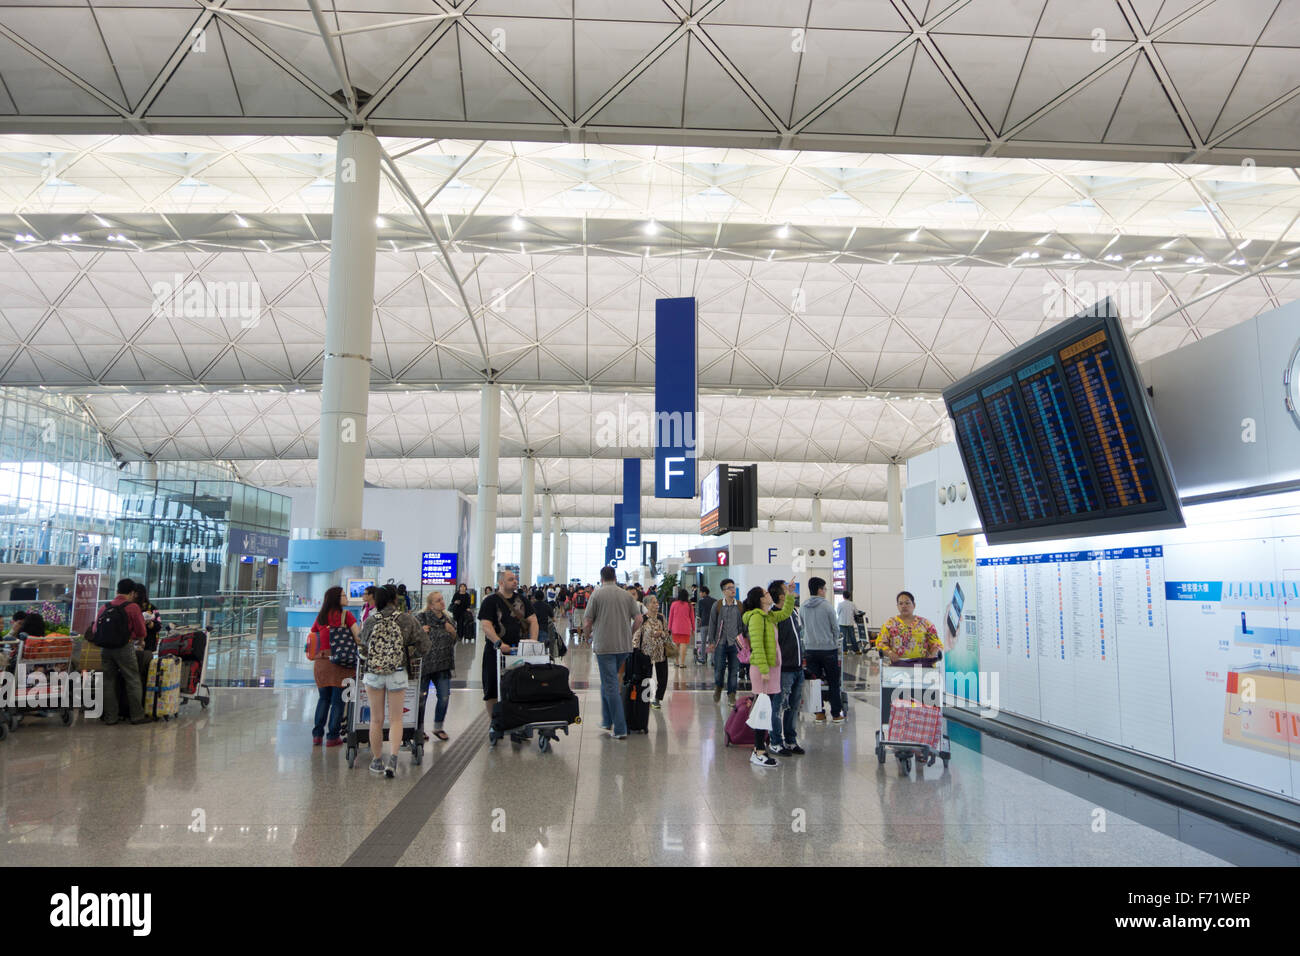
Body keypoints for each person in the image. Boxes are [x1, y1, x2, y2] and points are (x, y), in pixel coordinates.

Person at [358, 584, 428, 778]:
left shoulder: (371, 620)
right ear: (395, 599)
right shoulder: (407, 619)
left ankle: (377, 760)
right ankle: (394, 759)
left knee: (376, 719)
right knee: (396, 719)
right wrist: (409, 653)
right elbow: (425, 645)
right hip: (398, 671)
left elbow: (363, 648)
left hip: (374, 673)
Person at [583, 565, 642, 738]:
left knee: (610, 685)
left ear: (601, 578)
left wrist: (588, 637)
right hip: (623, 647)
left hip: (604, 647)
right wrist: (629, 634)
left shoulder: (596, 594)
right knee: (608, 680)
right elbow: (638, 619)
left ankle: (620, 728)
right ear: (615, 577)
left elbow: (587, 622)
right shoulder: (626, 595)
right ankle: (607, 720)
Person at [741, 581, 795, 767]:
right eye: (766, 593)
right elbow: (757, 645)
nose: (769, 594)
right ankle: (758, 750)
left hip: (771, 669)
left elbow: (786, 613)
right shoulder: (756, 617)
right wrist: (764, 671)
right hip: (763, 670)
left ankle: (760, 749)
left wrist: (789, 594)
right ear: (761, 599)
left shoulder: (769, 616)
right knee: (762, 710)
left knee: (767, 709)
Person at [88, 578, 151, 725]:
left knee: (108, 681)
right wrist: (140, 640)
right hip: (124, 647)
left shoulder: (105, 607)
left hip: (105, 649)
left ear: (117, 591)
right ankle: (137, 715)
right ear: (132, 592)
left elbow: (95, 630)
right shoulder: (132, 607)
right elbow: (141, 630)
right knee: (132, 679)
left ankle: (111, 717)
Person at [478, 570, 537, 720]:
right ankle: (495, 721)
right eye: (511, 579)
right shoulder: (490, 601)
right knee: (492, 687)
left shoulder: (522, 600)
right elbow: (486, 625)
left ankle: (518, 720)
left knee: (520, 686)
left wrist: (533, 641)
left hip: (519, 651)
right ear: (501, 582)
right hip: (495, 651)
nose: (515, 581)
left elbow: (533, 621)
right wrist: (498, 642)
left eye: (516, 579)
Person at [307, 585, 358, 747]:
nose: (346, 597)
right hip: (340, 663)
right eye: (343, 595)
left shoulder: (321, 617)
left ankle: (317, 735)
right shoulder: (346, 616)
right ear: (337, 599)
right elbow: (358, 637)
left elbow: (313, 634)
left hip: (321, 662)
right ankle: (332, 736)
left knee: (323, 699)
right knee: (337, 701)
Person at [768, 579, 805, 757]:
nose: (791, 591)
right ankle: (776, 741)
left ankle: (790, 740)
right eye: (786, 590)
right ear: (781, 596)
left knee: (793, 706)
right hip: (784, 669)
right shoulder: (774, 616)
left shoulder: (793, 612)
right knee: (778, 705)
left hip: (798, 667)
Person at [415, 590, 457, 742]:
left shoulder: (448, 619)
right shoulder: (421, 617)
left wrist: (452, 632)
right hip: (425, 665)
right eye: (438, 600)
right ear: (431, 605)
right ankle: (418, 728)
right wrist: (421, 632)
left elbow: (454, 639)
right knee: (421, 698)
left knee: (444, 697)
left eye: (441, 599)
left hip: (443, 664)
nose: (442, 602)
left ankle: (438, 726)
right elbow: (413, 637)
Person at [801, 577, 844, 724]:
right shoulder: (827, 606)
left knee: (815, 682)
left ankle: (819, 713)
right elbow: (835, 628)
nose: (825, 591)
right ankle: (836, 713)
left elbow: (803, 627)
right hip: (828, 650)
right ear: (819, 589)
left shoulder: (803, 606)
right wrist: (833, 640)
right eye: (825, 589)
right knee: (833, 682)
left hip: (810, 649)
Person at [877, 591, 944, 663]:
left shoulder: (925, 623)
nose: (904, 606)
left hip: (920, 666)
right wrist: (889, 653)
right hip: (897, 666)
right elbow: (880, 643)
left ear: (914, 605)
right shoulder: (890, 623)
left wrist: (933, 654)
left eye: (907, 603)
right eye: (901, 603)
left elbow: (937, 644)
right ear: (897, 606)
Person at [706, 578, 743, 704]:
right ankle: (718, 687)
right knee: (719, 668)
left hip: (736, 644)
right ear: (724, 591)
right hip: (720, 642)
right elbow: (712, 624)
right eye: (729, 588)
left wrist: (746, 641)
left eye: (733, 587)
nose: (733, 590)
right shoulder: (718, 605)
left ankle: (732, 694)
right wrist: (711, 641)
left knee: (734, 670)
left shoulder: (739, 605)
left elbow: (743, 625)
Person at [633, 593, 670, 708]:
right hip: (646, 653)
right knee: (646, 678)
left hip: (660, 652)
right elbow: (637, 636)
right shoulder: (642, 619)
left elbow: (667, 634)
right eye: (653, 602)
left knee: (663, 677)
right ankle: (645, 699)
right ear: (647, 605)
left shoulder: (661, 617)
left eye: (657, 602)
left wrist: (662, 634)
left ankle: (657, 698)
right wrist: (635, 650)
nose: (656, 604)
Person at [667, 587, 694, 669]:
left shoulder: (674, 604)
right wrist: (693, 628)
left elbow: (670, 617)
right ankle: (682, 663)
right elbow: (692, 618)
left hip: (675, 627)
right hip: (686, 628)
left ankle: (677, 662)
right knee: (683, 645)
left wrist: (669, 628)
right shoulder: (689, 605)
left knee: (676, 645)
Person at [136, 584, 162, 654]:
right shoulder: (132, 608)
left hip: (148, 644)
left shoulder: (152, 608)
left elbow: (158, 626)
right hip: (136, 645)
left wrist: (149, 623)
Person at [695, 585, 715, 654]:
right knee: (712, 642)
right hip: (713, 624)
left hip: (704, 624)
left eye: (700, 592)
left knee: (703, 642)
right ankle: (713, 660)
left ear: (704, 593)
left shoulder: (701, 602)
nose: (700, 594)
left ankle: (703, 658)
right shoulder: (714, 601)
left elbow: (699, 614)